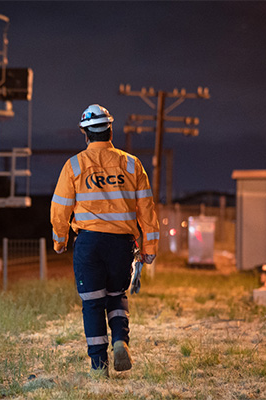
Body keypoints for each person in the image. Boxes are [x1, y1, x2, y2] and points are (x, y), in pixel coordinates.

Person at [50, 104, 159, 376]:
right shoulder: (132, 164)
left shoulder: (74, 165)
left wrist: (60, 241)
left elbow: (60, 209)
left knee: (92, 303)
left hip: (89, 243)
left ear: (85, 134)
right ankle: (120, 340)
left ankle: (99, 367)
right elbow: (147, 209)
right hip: (121, 244)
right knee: (117, 295)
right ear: (111, 130)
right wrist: (149, 248)